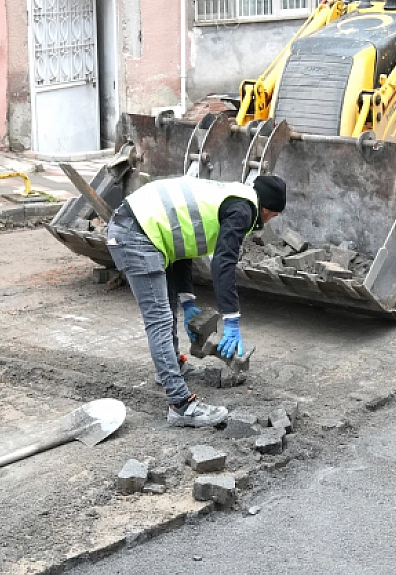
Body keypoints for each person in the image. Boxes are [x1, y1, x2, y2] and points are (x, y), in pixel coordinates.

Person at [105, 173, 288, 427]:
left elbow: (182, 243)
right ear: (269, 210)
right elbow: (224, 263)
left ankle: (170, 370)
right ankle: (181, 405)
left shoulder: (230, 195)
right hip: (136, 233)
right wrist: (232, 318)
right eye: (273, 216)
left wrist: (188, 300)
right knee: (159, 320)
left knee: (167, 310)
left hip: (143, 229)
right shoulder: (243, 210)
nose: (269, 221)